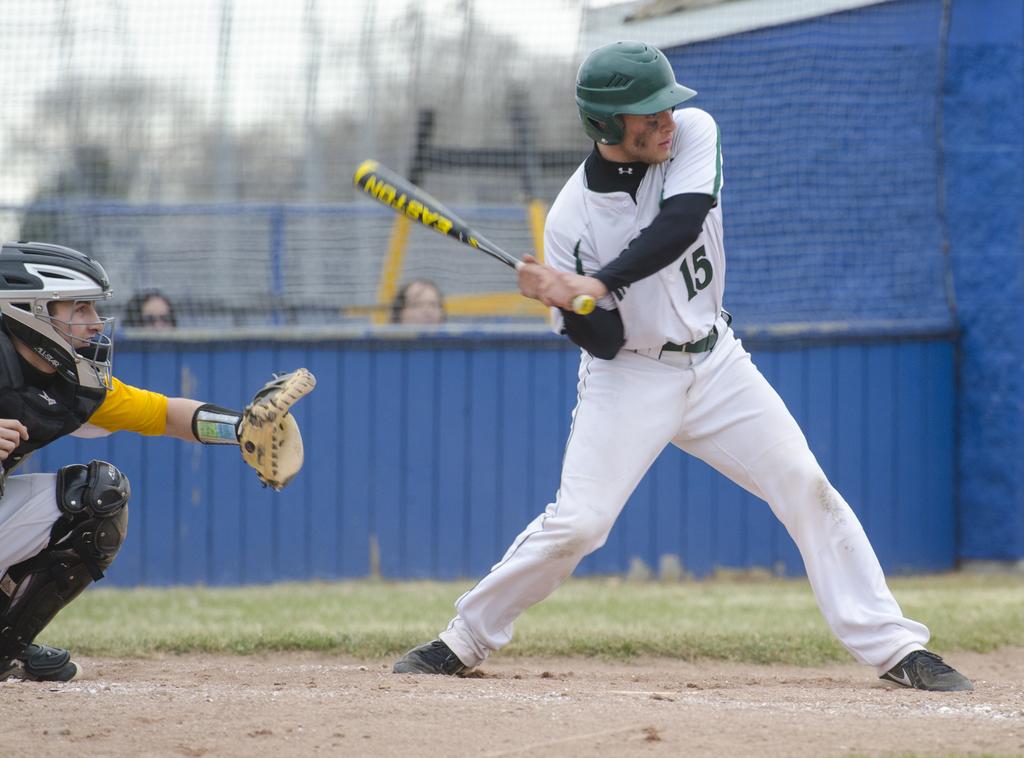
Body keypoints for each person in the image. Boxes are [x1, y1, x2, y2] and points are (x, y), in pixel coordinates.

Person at [392, 41, 972, 692]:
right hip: (631, 377)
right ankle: (464, 638)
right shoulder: (571, 221)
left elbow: (681, 223)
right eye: (648, 114)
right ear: (608, 126)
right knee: (580, 524)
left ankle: (894, 647)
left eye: (667, 105)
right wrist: (566, 299)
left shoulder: (694, 133)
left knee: (806, 486)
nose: (666, 119)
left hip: (717, 359)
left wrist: (594, 282)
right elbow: (604, 341)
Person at [0, 241, 308, 682]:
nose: (93, 323)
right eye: (80, 307)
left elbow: (164, 414)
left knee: (96, 497)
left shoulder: (70, 383)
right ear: (27, 308)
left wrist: (241, 429)